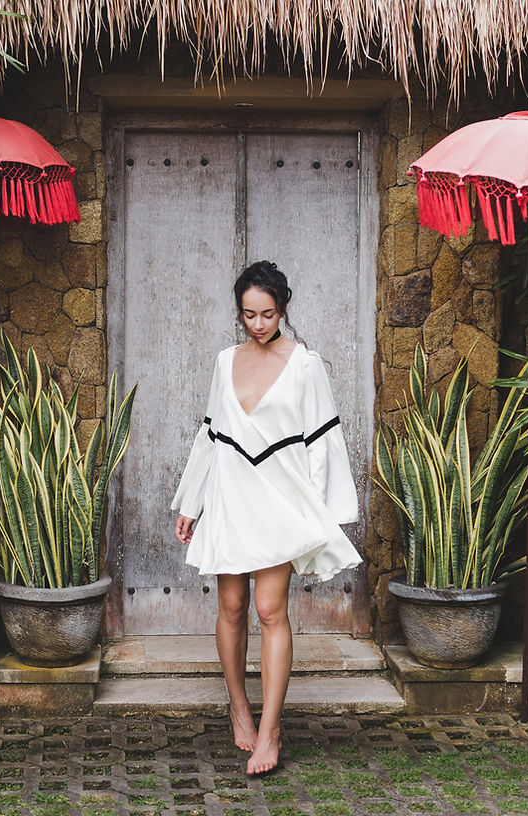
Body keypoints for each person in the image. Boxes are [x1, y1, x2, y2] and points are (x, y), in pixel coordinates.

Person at [172, 260, 362, 776]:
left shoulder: (306, 364)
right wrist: (191, 503)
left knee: (269, 609)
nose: (257, 324)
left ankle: (272, 730)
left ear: (283, 309)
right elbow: (210, 433)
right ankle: (239, 709)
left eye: (267, 314)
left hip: (279, 500)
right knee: (231, 605)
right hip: (230, 493)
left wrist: (321, 515)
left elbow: (323, 443)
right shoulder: (223, 360)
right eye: (248, 315)